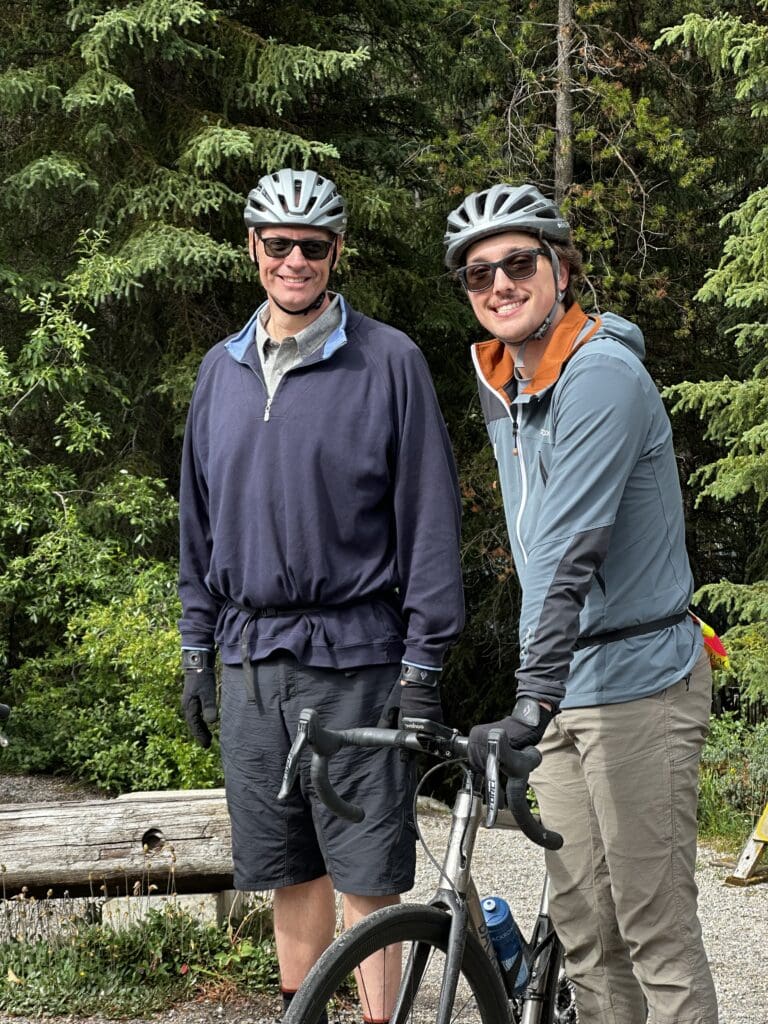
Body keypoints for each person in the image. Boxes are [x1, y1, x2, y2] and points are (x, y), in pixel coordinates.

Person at [178, 167, 464, 1019]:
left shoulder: (390, 361)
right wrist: (195, 647)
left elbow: (429, 521)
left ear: (336, 252)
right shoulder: (220, 371)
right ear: (252, 249)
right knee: (288, 867)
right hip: (250, 660)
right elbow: (197, 525)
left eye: (312, 245)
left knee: (368, 871)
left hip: (358, 659)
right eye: (279, 244)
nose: (294, 260)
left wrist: (424, 664)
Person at [445, 183, 718, 1024]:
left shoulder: (600, 375)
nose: (500, 284)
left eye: (518, 263)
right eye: (479, 273)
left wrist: (529, 699)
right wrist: (542, 696)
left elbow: (568, 552)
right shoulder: (508, 384)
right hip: (567, 687)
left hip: (638, 684)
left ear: (560, 270)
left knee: (653, 932)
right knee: (588, 935)